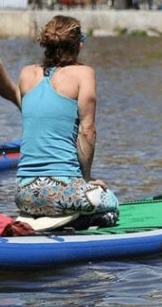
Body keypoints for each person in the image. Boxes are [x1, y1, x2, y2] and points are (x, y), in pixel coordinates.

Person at [14, 15, 118, 227]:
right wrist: (86, 179)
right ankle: (84, 220)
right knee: (112, 204)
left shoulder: (25, 74)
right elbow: (87, 131)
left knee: (57, 197)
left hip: (23, 195)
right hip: (63, 193)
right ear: (78, 45)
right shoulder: (84, 74)